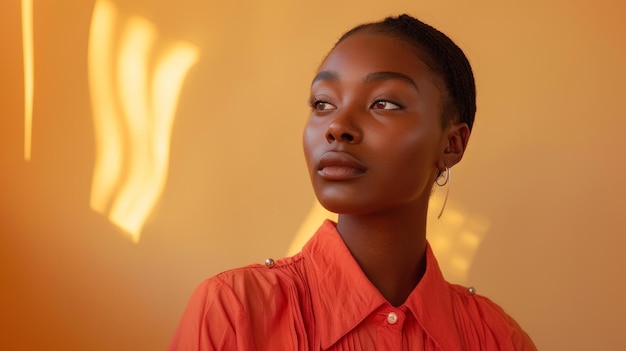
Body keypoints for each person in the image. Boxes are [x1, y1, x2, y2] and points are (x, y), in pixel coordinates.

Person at [169, 14, 537, 350]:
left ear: (452, 143)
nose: (337, 127)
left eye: (384, 104)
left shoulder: (497, 338)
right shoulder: (235, 310)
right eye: (323, 103)